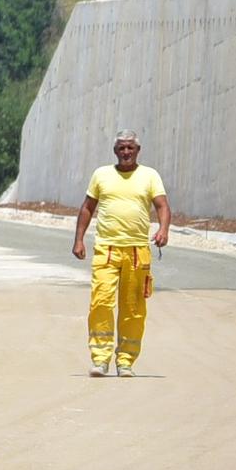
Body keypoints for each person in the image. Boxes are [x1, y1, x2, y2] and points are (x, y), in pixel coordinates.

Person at [69, 131, 173, 376]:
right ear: (115, 151)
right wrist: (79, 240)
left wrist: (163, 229)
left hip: (138, 252)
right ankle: (101, 359)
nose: (126, 152)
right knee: (101, 302)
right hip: (106, 249)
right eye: (121, 148)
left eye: (130, 148)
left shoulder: (149, 176)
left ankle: (126, 360)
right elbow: (87, 208)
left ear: (138, 150)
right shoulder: (101, 175)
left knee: (133, 307)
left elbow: (162, 206)